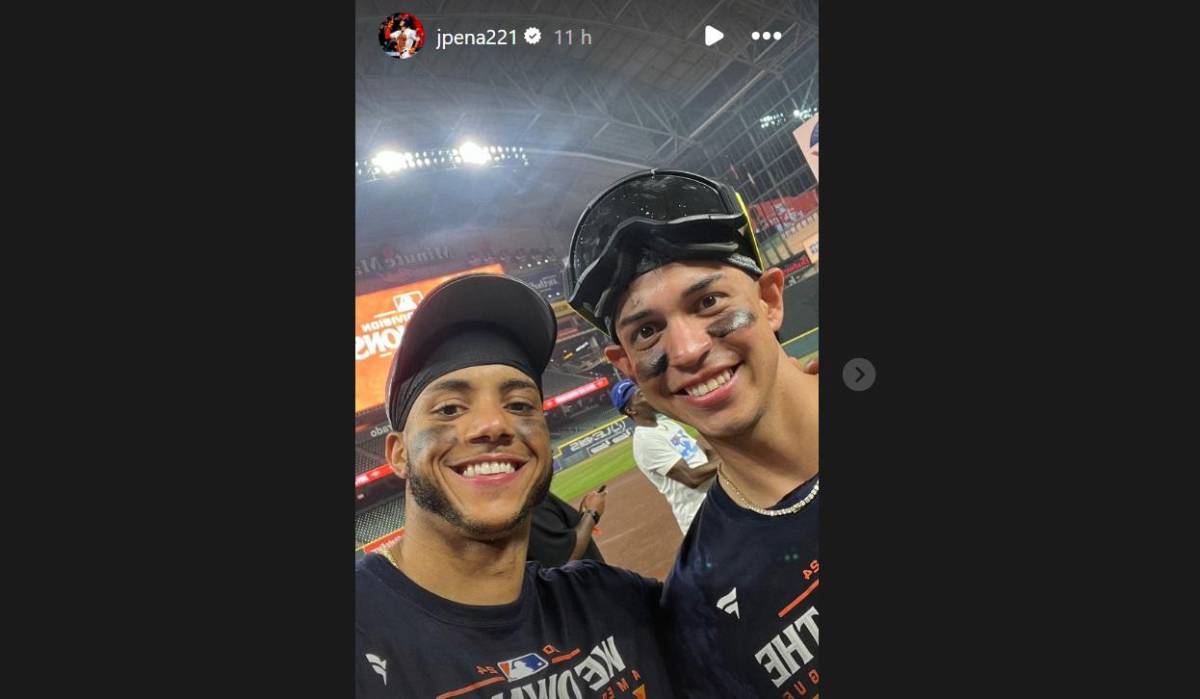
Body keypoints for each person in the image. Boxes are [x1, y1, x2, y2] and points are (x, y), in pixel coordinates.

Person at [356, 273, 673, 697]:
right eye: (450, 408)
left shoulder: (611, 600)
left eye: (520, 404)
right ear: (397, 453)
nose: (494, 425)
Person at [566, 170, 819, 696]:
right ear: (627, 366)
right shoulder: (698, 608)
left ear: (771, 300)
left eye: (708, 302)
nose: (686, 351)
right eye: (647, 331)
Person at [610, 378, 717, 533]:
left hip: (717, 504)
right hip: (701, 519)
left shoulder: (666, 424)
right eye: (640, 394)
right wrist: (728, 462)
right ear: (631, 410)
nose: (648, 395)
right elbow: (692, 478)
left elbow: (703, 452)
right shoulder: (646, 440)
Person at [526, 488, 607, 566]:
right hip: (585, 577)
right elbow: (566, 557)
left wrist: (583, 515)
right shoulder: (531, 503)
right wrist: (592, 513)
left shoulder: (534, 496)